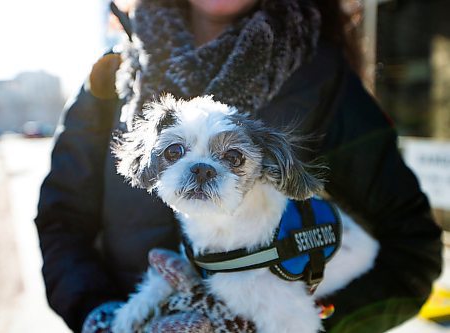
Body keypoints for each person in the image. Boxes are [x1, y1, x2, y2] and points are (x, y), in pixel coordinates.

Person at [35, 0, 443, 332]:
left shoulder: (323, 77)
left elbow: (412, 251)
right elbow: (62, 221)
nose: (201, 169)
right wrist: (100, 317)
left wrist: (300, 319)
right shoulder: (113, 74)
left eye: (232, 158)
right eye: (175, 153)